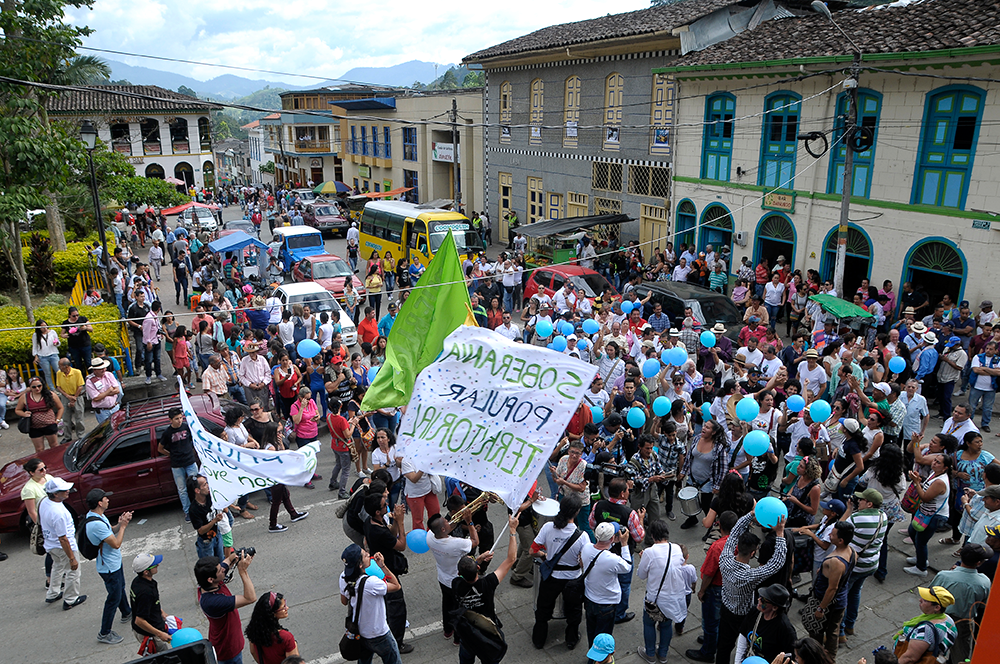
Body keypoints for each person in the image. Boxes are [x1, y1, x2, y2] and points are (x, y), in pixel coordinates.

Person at [716, 512, 787, 664]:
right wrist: (780, 534)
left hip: (725, 610)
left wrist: (750, 514)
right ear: (753, 553)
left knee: (723, 647)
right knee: (745, 648)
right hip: (744, 617)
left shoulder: (724, 559)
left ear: (738, 547)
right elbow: (776, 563)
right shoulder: (749, 576)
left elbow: (734, 532)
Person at [452, 513, 519, 664]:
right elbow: (511, 559)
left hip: (467, 633)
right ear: (477, 568)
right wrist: (513, 530)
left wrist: (478, 560)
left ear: (459, 573)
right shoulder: (487, 583)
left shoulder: (456, 584)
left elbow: (465, 574)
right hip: (487, 633)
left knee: (466, 657)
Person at [532, 494, 585, 650]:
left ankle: (539, 639)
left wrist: (544, 555)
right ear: (576, 512)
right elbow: (584, 561)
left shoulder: (548, 527)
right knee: (574, 612)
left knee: (543, 609)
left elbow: (532, 550)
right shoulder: (582, 537)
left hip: (551, 577)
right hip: (573, 580)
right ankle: (571, 640)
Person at [363, 497, 413, 653]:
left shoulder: (371, 522)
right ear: (377, 511)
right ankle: (397, 643)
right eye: (384, 505)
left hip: (378, 568)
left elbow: (390, 534)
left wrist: (396, 523)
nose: (388, 507)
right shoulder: (378, 530)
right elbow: (401, 545)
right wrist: (401, 522)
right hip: (387, 570)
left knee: (386, 604)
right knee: (397, 607)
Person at [686, 511, 737, 662]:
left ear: (720, 525)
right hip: (730, 587)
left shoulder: (717, 547)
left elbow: (709, 573)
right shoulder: (740, 541)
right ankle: (713, 641)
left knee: (710, 622)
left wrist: (702, 591)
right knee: (721, 620)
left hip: (716, 588)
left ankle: (707, 652)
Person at [83, 488, 133, 645]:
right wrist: (124, 526)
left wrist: (119, 523)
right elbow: (116, 543)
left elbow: (110, 531)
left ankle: (126, 612)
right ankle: (104, 633)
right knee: (113, 597)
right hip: (109, 567)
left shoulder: (96, 516)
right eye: (106, 498)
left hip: (114, 564)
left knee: (120, 589)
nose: (108, 500)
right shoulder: (96, 524)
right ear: (99, 502)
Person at [840, 488, 890, 641]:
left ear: (869, 503)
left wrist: (849, 510)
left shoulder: (856, 518)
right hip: (871, 564)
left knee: (842, 596)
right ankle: (850, 625)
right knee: (855, 592)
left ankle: (839, 632)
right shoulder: (883, 516)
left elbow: (838, 530)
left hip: (854, 564)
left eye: (861, 500)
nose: (858, 502)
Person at [339, 545, 402, 664]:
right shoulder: (371, 583)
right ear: (360, 565)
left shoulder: (343, 577)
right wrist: (382, 566)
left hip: (359, 631)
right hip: (378, 633)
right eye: (365, 555)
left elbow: (344, 601)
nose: (368, 554)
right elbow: (396, 586)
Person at [930, 543, 991, 664]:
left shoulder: (943, 576)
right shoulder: (984, 582)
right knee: (962, 656)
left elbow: (931, 593)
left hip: (938, 617)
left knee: (930, 648)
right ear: (978, 563)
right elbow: (982, 604)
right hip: (963, 622)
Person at [637, 519, 689, 663]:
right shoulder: (677, 548)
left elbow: (641, 575)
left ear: (652, 535)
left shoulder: (649, 552)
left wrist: (643, 559)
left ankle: (650, 654)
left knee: (649, 624)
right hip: (672, 597)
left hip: (654, 598)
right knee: (666, 625)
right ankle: (663, 654)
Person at [426, 511, 478, 646]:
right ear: (443, 529)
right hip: (457, 581)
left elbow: (448, 527)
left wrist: (458, 518)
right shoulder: (456, 543)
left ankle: (447, 631)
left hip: (442, 578)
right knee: (459, 609)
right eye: (446, 521)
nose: (449, 521)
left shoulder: (430, 535)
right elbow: (475, 541)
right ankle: (457, 638)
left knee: (447, 604)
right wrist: (469, 522)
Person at [196, 551, 258, 664]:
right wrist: (243, 571)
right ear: (210, 579)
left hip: (226, 643)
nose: (224, 569)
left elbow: (227, 561)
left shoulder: (207, 584)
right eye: (220, 570)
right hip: (227, 650)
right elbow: (250, 598)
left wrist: (235, 556)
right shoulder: (213, 602)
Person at [581, 522, 633, 646]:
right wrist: (624, 544)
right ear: (611, 538)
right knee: (603, 638)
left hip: (589, 599)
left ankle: (592, 654)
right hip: (606, 604)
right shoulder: (612, 559)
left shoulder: (586, 548)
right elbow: (627, 567)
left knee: (591, 631)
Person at [39, 477, 87, 609]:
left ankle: (53, 593)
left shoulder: (44, 502)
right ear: (55, 494)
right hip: (63, 547)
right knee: (73, 572)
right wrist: (72, 558)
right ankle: (71, 599)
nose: (68, 491)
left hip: (50, 545)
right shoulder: (58, 513)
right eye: (64, 490)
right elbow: (63, 538)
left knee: (58, 566)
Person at [906, 454, 954, 577]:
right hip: (925, 512)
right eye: (935, 460)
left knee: (921, 540)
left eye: (938, 462)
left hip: (934, 516)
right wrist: (919, 481)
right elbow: (927, 489)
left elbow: (925, 497)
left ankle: (921, 568)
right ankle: (921, 558)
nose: (934, 463)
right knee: (912, 531)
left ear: (945, 468)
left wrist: (916, 483)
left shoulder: (939, 481)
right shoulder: (934, 474)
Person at [733, 584, 797, 663]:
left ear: (775, 607)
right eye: (760, 596)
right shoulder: (755, 612)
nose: (759, 600)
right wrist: (738, 661)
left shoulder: (785, 629)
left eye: (763, 600)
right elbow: (743, 635)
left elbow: (791, 656)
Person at [893, 586, 958, 664]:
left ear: (937, 607)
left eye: (925, 600)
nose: (920, 600)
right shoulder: (949, 620)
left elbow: (910, 658)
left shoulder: (925, 630)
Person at [157, 407, 200, 522]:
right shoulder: (167, 433)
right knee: (182, 489)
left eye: (181, 418)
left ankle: (199, 508)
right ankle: (187, 511)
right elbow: (160, 448)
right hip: (177, 465)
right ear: (170, 420)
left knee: (196, 485)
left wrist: (193, 451)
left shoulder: (186, 427)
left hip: (190, 462)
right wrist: (170, 455)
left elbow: (194, 440)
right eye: (176, 419)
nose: (179, 420)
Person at [130, 553, 171, 653]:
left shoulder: (137, 581)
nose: (158, 565)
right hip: (150, 634)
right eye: (154, 565)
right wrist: (160, 634)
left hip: (150, 628)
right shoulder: (146, 592)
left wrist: (161, 612)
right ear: (146, 572)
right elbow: (139, 620)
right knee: (163, 657)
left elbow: (147, 604)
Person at [245, 592, 300, 664]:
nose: (287, 608)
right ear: (273, 614)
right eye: (283, 607)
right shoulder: (286, 637)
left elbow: (253, 652)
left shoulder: (255, 629)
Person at [16, 376, 63, 454]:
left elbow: (60, 408)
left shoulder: (50, 394)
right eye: (34, 387)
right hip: (34, 427)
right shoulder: (25, 397)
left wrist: (57, 420)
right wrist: (24, 414)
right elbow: (17, 410)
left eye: (39, 386)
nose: (37, 388)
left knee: (54, 446)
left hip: (49, 424)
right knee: (39, 449)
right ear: (30, 387)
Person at [187, 475, 227, 560]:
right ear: (197, 490)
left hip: (217, 535)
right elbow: (201, 530)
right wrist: (214, 520)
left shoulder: (210, 496)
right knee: (210, 567)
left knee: (221, 562)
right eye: (204, 485)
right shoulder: (194, 509)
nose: (208, 486)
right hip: (206, 542)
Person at [54, 358, 85, 445]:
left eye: (60, 366)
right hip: (65, 397)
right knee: (66, 418)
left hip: (77, 396)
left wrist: (74, 397)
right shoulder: (59, 373)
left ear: (66, 366)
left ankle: (81, 435)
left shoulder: (77, 372)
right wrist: (68, 396)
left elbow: (80, 386)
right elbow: (58, 387)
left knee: (79, 417)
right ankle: (67, 436)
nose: (59, 367)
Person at [85, 358, 121, 424]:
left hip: (115, 408)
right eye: (101, 369)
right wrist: (109, 391)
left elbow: (117, 390)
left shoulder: (109, 375)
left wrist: (102, 394)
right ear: (95, 370)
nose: (104, 370)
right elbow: (96, 398)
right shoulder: (89, 381)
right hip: (102, 412)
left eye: (104, 368)